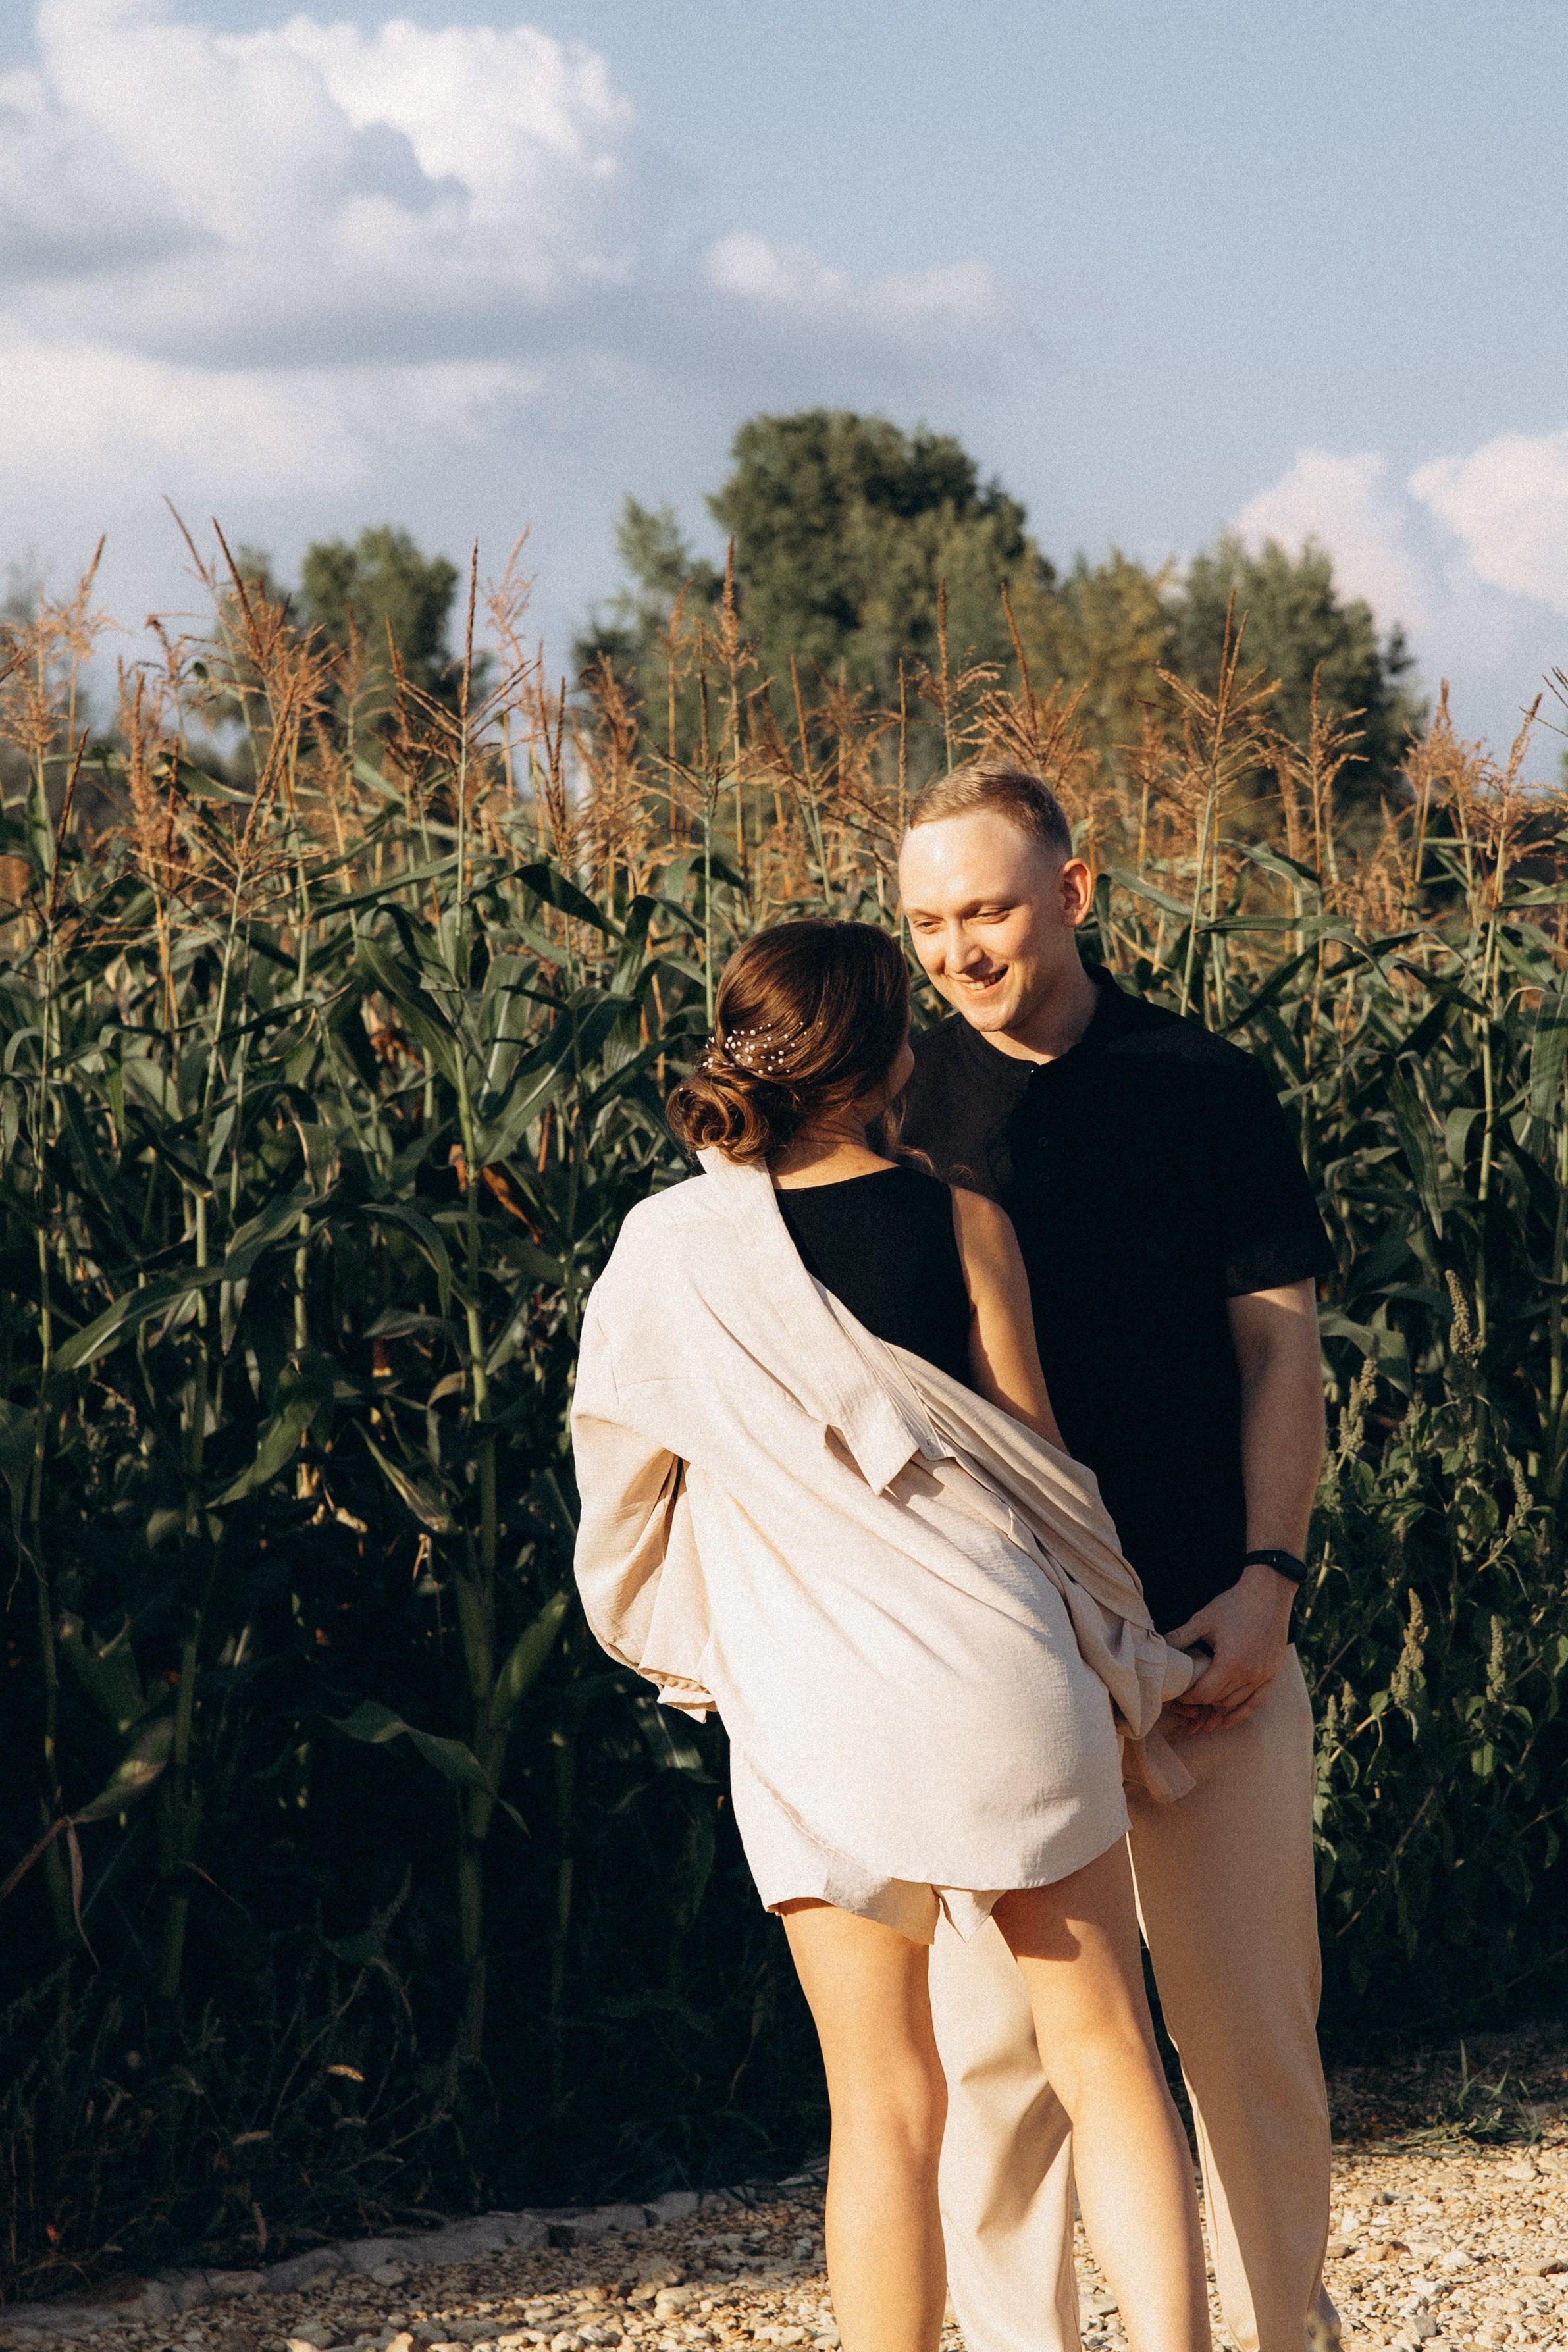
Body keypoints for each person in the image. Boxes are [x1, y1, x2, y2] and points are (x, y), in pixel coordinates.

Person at [571, 918, 1213, 2352]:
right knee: (1107, 2051)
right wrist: (1127, 1640)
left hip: (811, 1704)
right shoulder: (965, 1211)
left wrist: (701, 1642)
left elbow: (621, 1493)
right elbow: (1045, 1472)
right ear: (885, 1061)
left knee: (883, 2100)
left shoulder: (667, 1253)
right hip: (1002, 1677)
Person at [895, 761, 1337, 2352]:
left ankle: (1289, 2337)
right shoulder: (891, 1110)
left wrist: (1270, 1582)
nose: (961, 947)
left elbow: (1282, 1355)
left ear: (1075, 892)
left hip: (1210, 1638)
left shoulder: (1206, 1085)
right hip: (1000, 1659)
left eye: (991, 907)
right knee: (1001, 2075)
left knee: (1249, 2051)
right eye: (931, 920)